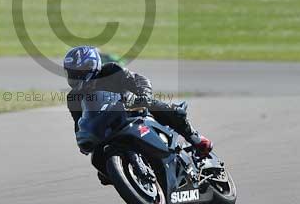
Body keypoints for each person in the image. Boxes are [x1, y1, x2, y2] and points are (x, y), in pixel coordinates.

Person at [63, 45, 214, 159]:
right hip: (108, 126)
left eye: (78, 73)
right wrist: (83, 141)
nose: (74, 77)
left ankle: (195, 138)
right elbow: (79, 124)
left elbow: (139, 80)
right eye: (71, 73)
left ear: (91, 66)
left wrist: (144, 95)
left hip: (133, 109)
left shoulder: (111, 70)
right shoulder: (73, 97)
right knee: (102, 169)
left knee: (164, 108)